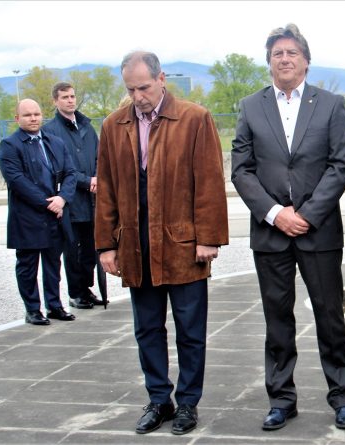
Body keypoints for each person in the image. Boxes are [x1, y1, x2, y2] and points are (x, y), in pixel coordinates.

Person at [231, 23, 345, 431]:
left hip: (318, 231)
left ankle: (342, 396)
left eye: (291, 53)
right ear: (269, 62)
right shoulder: (250, 107)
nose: (284, 59)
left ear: (306, 61)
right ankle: (281, 399)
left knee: (330, 316)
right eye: (277, 54)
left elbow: (341, 164)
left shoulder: (331, 104)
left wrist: (306, 215)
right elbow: (241, 169)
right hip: (271, 233)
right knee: (277, 321)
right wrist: (275, 213)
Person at [95, 51, 228, 435]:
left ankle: (187, 403)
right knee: (147, 329)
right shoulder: (113, 125)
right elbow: (106, 188)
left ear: (161, 79)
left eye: (144, 87)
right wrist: (106, 245)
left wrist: (208, 238)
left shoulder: (194, 118)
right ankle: (158, 400)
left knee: (190, 330)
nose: (138, 97)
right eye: (131, 89)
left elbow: (209, 182)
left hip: (183, 245)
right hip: (136, 246)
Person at [0, 99, 78, 326]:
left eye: (36, 114)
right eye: (27, 115)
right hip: (28, 216)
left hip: (56, 213)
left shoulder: (55, 142)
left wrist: (62, 199)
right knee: (28, 266)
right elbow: (17, 180)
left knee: (53, 263)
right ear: (17, 119)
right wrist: (47, 204)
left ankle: (54, 305)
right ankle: (32, 309)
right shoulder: (9, 145)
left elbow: (70, 173)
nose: (33, 118)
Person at [42, 82, 104, 309]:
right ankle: (76, 293)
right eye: (65, 97)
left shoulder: (87, 126)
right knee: (73, 250)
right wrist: (86, 181)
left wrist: (97, 177)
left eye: (72, 96)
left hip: (93, 200)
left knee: (91, 249)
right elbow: (58, 167)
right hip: (71, 199)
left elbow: (99, 156)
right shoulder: (50, 131)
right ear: (55, 101)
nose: (70, 100)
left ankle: (86, 288)